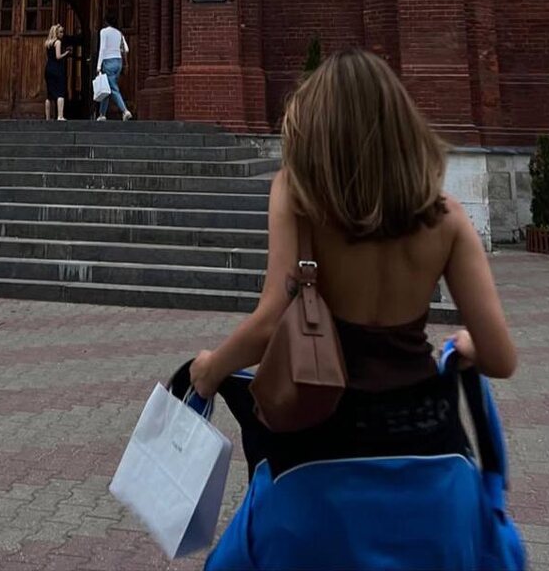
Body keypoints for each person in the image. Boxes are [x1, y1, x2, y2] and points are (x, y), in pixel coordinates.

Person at [189, 48, 518, 567]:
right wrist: (467, 346)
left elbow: (272, 317)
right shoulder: (447, 217)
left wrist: (209, 370)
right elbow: (500, 359)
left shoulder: (298, 194)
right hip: (433, 469)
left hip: (320, 468)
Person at [96, 12, 132, 121]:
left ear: (106, 22)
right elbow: (126, 49)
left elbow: (102, 49)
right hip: (118, 62)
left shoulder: (104, 32)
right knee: (107, 87)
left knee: (113, 88)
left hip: (108, 62)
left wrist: (98, 66)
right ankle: (102, 114)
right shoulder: (119, 33)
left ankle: (125, 111)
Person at [43, 24, 71, 121]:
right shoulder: (58, 42)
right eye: (60, 32)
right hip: (57, 69)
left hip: (48, 68)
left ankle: (47, 117)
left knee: (49, 94)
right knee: (60, 92)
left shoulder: (47, 43)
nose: (62, 34)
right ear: (56, 33)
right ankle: (60, 116)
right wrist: (66, 53)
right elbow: (58, 56)